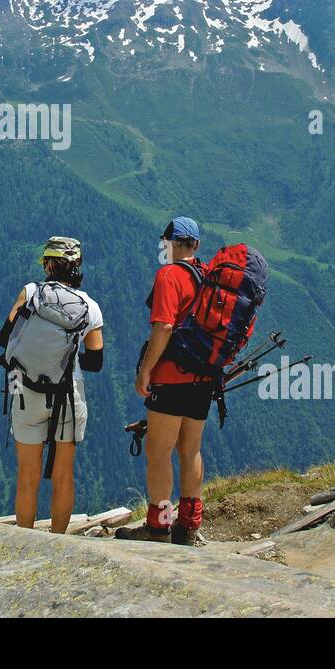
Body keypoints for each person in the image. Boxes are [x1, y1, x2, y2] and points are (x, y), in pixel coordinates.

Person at [0, 237, 104, 534]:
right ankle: (59, 542)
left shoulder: (30, 292)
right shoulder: (89, 307)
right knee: (64, 475)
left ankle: (24, 540)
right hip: (69, 391)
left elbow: (4, 338)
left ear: (48, 264)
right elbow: (96, 363)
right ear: (77, 265)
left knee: (27, 476)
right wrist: (67, 351)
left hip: (23, 388)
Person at [117, 217, 210, 545]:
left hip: (171, 379)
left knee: (159, 452)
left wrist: (146, 370)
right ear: (196, 244)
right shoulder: (209, 277)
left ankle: (158, 527)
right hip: (205, 379)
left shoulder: (168, 276)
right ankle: (190, 526)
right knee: (191, 450)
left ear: (170, 243)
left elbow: (164, 327)